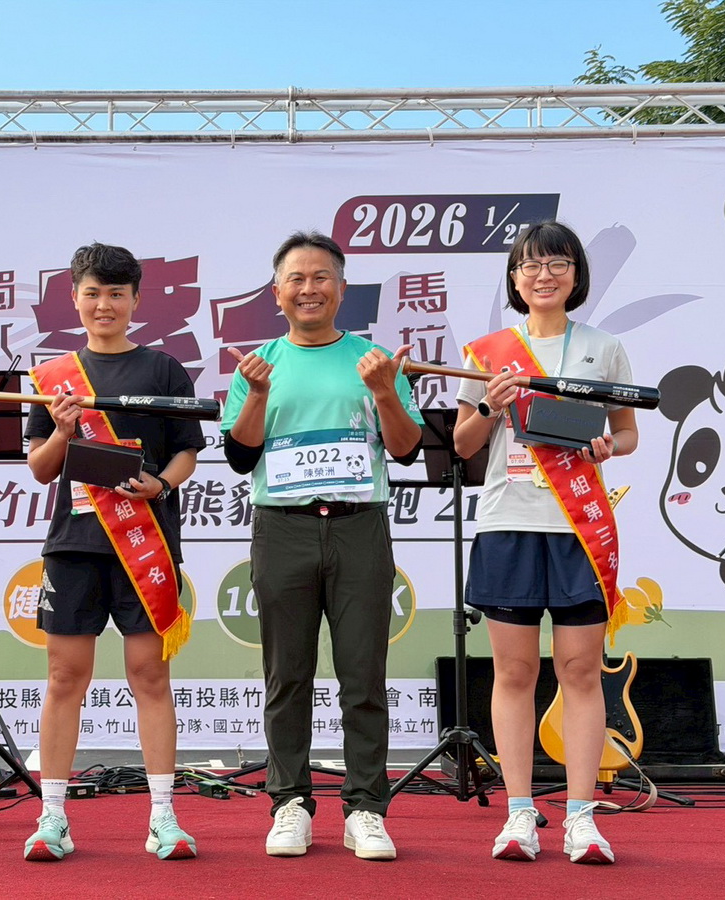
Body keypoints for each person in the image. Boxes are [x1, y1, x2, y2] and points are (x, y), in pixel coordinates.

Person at [220, 231, 423, 860]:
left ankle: (366, 808)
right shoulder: (258, 365)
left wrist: (385, 391)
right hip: (283, 527)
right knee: (288, 674)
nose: (309, 289)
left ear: (342, 288)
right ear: (276, 292)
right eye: (296, 279)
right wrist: (257, 394)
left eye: (321, 277)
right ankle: (289, 803)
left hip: (360, 526)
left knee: (364, 674)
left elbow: (406, 449)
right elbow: (239, 456)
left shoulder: (376, 361)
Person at [451, 220, 638, 865]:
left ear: (576, 275)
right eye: (530, 265)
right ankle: (519, 814)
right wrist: (491, 407)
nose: (544, 275)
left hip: (577, 528)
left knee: (581, 671)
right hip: (508, 523)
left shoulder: (604, 347)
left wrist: (608, 446)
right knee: (514, 672)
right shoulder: (486, 352)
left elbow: (628, 433)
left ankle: (582, 817)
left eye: (558, 263)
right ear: (514, 278)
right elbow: (464, 445)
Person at [22, 242, 204, 862]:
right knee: (63, 677)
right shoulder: (53, 377)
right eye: (93, 293)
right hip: (75, 546)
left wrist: (163, 485)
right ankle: (52, 818)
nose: (105, 305)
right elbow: (41, 468)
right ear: (74, 298)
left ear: (135, 300)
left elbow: (186, 450)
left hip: (145, 543)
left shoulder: (164, 369)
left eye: (117, 294)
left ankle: (163, 817)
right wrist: (63, 429)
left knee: (150, 674)